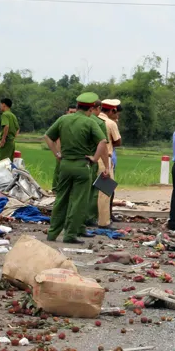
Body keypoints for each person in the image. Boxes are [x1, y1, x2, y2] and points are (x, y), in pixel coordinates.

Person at [44, 93, 108, 244]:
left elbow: (48, 137)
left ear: (77, 106)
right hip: (82, 166)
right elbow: (103, 142)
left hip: (65, 164)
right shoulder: (90, 122)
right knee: (79, 201)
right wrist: (95, 159)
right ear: (91, 109)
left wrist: (57, 154)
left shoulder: (63, 119)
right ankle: (70, 234)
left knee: (61, 199)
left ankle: (52, 233)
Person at [96, 99, 123, 227]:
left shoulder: (93, 119)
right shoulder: (110, 123)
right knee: (105, 192)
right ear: (112, 110)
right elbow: (118, 141)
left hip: (91, 157)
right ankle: (104, 221)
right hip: (104, 159)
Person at [51, 104, 78, 191]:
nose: (72, 114)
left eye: (74, 112)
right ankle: (55, 189)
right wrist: (58, 152)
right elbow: (55, 138)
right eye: (71, 112)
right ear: (67, 112)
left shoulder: (78, 123)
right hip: (62, 150)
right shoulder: (62, 121)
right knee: (58, 170)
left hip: (73, 151)